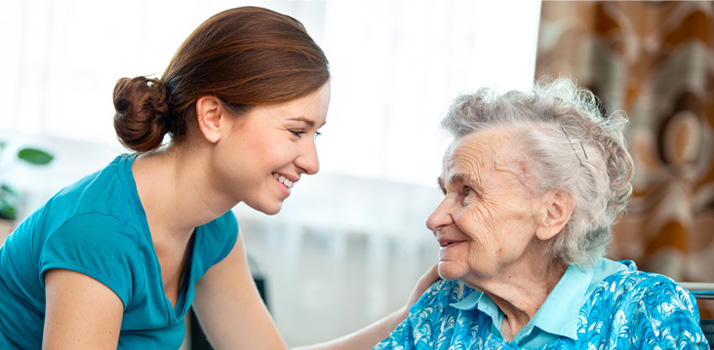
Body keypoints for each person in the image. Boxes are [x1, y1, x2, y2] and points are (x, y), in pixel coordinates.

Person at [0, 6, 438, 349]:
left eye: (315, 134)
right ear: (212, 117)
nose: (312, 161)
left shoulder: (211, 226)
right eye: (296, 131)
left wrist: (408, 318)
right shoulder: (100, 234)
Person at [374, 77, 710, 349]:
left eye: (467, 192)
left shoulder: (644, 310)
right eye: (444, 191)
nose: (434, 219)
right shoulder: (444, 306)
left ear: (552, 213)